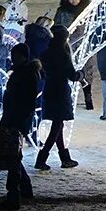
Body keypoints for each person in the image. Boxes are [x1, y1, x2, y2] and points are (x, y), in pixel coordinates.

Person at [0, 44, 41, 210]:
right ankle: (25, 187)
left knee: (13, 158)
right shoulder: (21, 72)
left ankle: (13, 195)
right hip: (13, 118)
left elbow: (26, 101)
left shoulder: (26, 74)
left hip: (16, 120)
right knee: (13, 156)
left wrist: (16, 119)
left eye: (17, 55)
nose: (14, 58)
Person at [35, 24, 80, 170]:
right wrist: (81, 75)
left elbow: (42, 72)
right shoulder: (62, 55)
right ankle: (42, 158)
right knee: (56, 127)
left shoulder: (46, 53)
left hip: (49, 90)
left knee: (58, 125)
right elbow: (72, 75)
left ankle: (64, 158)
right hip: (60, 92)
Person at [54, 0, 94, 111]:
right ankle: (68, 98)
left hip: (85, 44)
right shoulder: (62, 11)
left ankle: (88, 96)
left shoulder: (88, 9)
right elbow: (56, 26)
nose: (73, 0)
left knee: (87, 70)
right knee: (69, 70)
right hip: (69, 45)